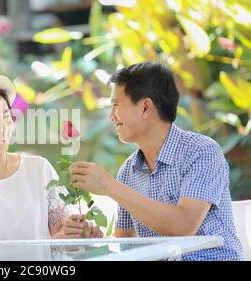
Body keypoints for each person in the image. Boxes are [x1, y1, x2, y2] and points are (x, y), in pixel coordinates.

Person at [68, 62, 243, 260]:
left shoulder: (202, 151)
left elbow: (184, 226)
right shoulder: (128, 170)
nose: (111, 116)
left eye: (116, 105)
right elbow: (126, 243)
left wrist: (109, 187)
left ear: (145, 108)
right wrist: (93, 240)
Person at [0, 75, 102, 241]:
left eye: (6, 116)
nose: (4, 126)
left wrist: (78, 232)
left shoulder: (38, 169)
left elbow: (61, 234)